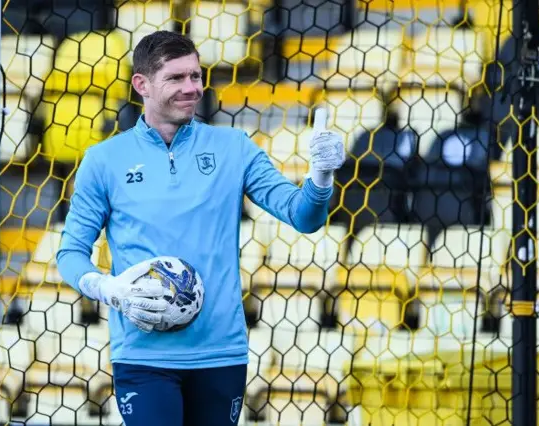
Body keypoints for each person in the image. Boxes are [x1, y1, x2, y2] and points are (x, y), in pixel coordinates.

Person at [56, 30, 345, 426]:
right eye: (176, 78)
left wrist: (322, 177)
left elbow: (303, 217)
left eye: (196, 76)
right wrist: (107, 288)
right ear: (141, 84)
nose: (192, 88)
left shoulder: (234, 147)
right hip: (143, 355)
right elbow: (70, 253)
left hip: (220, 353)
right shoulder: (104, 160)